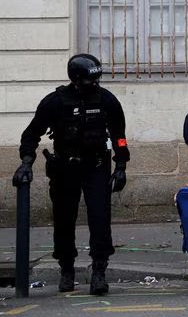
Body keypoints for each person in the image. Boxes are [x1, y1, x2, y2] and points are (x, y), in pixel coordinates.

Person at [12, 53, 129, 295]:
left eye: (97, 80)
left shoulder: (106, 99)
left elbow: (119, 134)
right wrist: (26, 162)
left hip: (96, 166)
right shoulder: (55, 102)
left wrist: (121, 165)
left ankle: (99, 271)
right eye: (90, 80)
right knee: (64, 220)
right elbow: (31, 135)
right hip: (66, 167)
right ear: (76, 79)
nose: (95, 85)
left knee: (100, 219)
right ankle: (67, 268)